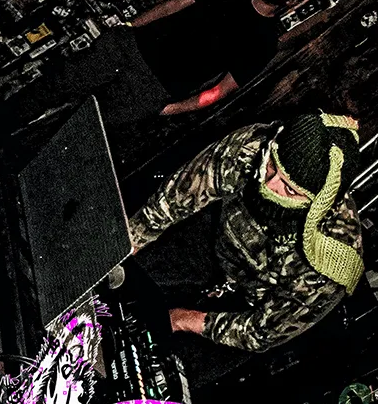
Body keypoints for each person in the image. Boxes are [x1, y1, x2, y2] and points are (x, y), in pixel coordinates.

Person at [128, 112, 365, 382]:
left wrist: (183, 319)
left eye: (289, 189)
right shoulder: (254, 145)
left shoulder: (334, 260)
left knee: (160, 377)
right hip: (214, 241)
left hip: (247, 309)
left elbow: (260, 332)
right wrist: (124, 250)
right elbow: (174, 200)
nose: (268, 183)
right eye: (273, 165)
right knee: (127, 287)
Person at [5, 0, 320, 127]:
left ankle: (10, 163)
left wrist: (166, 108)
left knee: (77, 127)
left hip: (151, 89)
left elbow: (220, 91)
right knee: (54, 85)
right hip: (129, 48)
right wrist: (128, 28)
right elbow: (174, 4)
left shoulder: (264, 41)